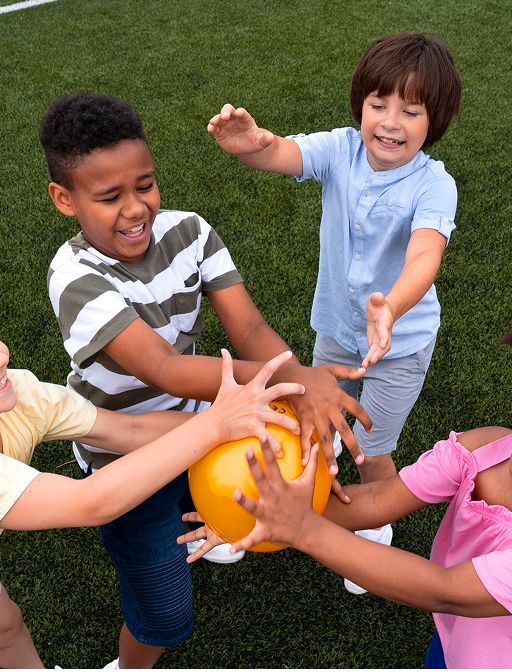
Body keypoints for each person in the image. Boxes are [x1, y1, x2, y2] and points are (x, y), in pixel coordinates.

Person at [39, 92, 372, 668]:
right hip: (124, 456)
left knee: (241, 500)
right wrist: (292, 379)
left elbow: (249, 326)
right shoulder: (73, 277)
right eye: (109, 196)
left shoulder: (190, 231)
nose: (136, 208)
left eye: (144, 185)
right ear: (64, 200)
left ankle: (207, 510)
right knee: (165, 618)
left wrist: (294, 383)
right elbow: (163, 369)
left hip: (209, 426)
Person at [0, 278, 303, 669]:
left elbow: (130, 430)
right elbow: (92, 502)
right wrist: (215, 422)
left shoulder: (18, 395)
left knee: (5, 626)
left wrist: (243, 425)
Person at [207, 32, 462, 591]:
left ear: (434, 119)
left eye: (410, 110)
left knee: (372, 449)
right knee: (314, 424)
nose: (390, 122)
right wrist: (250, 142)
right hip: (337, 333)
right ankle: (287, 507)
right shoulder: (342, 149)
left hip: (401, 343)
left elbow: (425, 253)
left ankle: (373, 530)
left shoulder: (435, 185)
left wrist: (390, 306)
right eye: (378, 105)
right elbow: (281, 152)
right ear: (360, 107)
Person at [206, 329, 512, 669]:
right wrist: (257, 512)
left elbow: (445, 589)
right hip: (455, 635)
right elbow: (380, 501)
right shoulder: (485, 448)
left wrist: (304, 529)